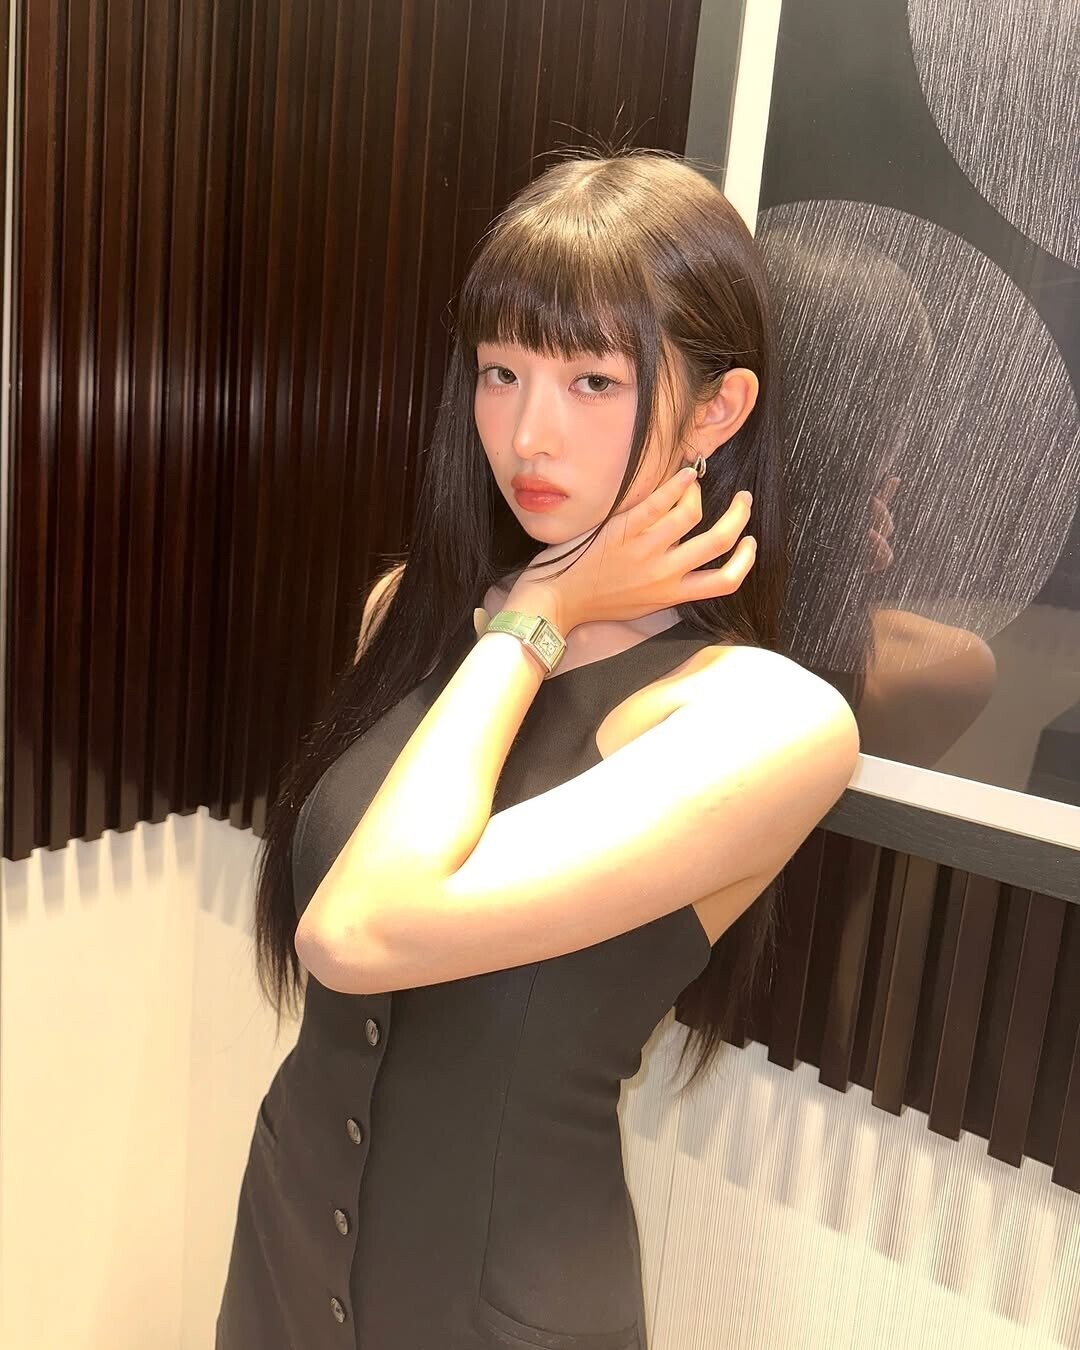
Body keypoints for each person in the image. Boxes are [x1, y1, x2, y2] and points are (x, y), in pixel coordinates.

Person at [216, 147, 860, 1349]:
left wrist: (541, 612)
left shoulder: (765, 722)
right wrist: (530, 618)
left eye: (593, 381)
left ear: (716, 411)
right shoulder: (411, 616)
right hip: (284, 1250)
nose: (528, 434)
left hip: (503, 1309)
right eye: (500, 371)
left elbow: (355, 933)